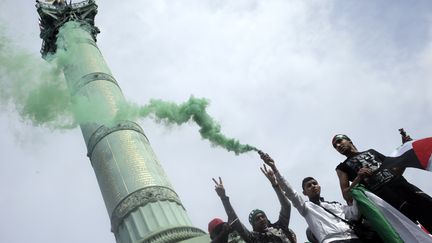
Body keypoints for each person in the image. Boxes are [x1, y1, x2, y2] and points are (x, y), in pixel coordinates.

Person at [332, 134, 432, 232]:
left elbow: (396, 170)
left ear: (349, 140)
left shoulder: (371, 152)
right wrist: (358, 178)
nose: (338, 146)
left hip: (407, 190)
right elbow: (346, 195)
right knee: (413, 232)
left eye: (339, 141)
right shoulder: (341, 168)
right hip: (389, 203)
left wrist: (406, 150)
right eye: (335, 146)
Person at [259, 151, 362, 243]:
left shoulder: (336, 205)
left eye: (314, 183)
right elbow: (290, 192)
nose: (313, 186)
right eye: (309, 186)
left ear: (319, 187)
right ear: (304, 193)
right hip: (332, 240)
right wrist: (274, 168)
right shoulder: (306, 208)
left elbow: (355, 214)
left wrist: (357, 188)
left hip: (354, 238)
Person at [212, 174, 296, 243]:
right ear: (253, 225)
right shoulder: (253, 238)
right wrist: (223, 198)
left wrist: (275, 185)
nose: (261, 219)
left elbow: (286, 206)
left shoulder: (279, 227)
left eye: (263, 216)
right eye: (257, 219)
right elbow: (235, 221)